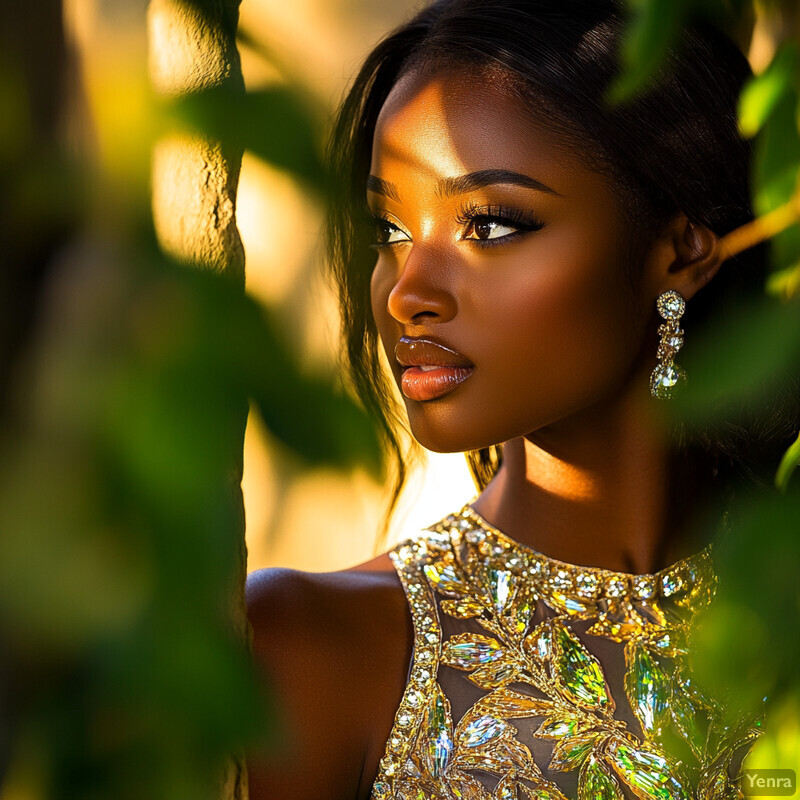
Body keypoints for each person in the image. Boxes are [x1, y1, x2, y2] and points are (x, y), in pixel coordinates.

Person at [245, 1, 799, 798]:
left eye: (493, 225)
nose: (407, 292)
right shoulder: (311, 650)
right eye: (389, 230)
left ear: (681, 250)